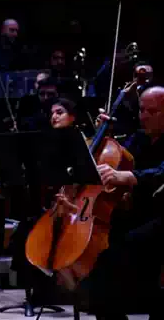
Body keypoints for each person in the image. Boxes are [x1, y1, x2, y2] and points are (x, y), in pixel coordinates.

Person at [79, 86, 164, 320]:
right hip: (137, 214)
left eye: (152, 111)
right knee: (100, 266)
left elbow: (159, 172)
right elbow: (118, 158)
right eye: (142, 110)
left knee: (121, 253)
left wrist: (128, 177)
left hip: (159, 216)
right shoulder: (138, 139)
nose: (144, 116)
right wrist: (103, 135)